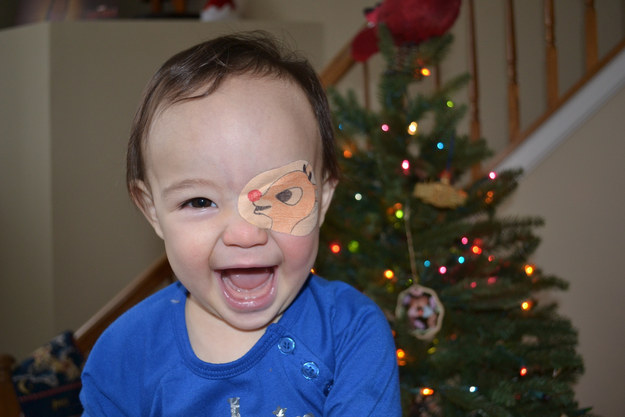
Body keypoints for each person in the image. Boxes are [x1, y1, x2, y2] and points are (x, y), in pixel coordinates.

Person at [80, 31, 401, 416]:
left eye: (281, 196)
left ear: (322, 199)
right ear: (152, 210)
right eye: (199, 201)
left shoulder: (352, 333)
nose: (246, 234)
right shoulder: (123, 356)